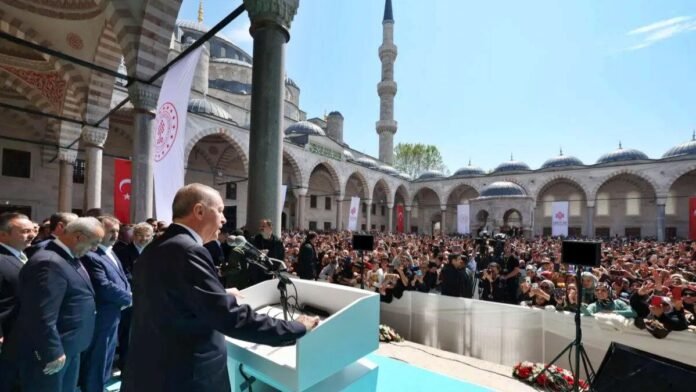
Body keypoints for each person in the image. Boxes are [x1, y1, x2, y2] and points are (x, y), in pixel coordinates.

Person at [121, 184, 317, 392]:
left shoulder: (156, 247)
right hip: (185, 377)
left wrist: (219, 294)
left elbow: (170, 298)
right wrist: (296, 328)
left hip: (152, 370)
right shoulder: (189, 251)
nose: (224, 219)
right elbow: (229, 317)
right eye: (220, 210)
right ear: (199, 211)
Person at [3, 217, 103, 392]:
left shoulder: (68, 257)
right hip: (53, 354)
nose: (95, 249)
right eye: (94, 243)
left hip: (69, 348)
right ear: (78, 237)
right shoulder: (49, 263)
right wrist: (52, 351)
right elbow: (41, 314)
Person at [79, 216, 131, 392]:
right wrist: (132, 298)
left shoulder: (111, 251)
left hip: (114, 313)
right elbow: (104, 287)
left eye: (117, 231)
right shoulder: (92, 256)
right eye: (111, 231)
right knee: (98, 360)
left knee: (107, 358)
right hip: (102, 316)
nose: (115, 235)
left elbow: (120, 280)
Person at [0, 212, 35, 391]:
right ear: (3, 234)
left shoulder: (23, 256)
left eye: (32, 230)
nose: (31, 234)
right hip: (6, 335)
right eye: (24, 231)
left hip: (22, 334)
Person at [113, 221, 153, 371]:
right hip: (132, 301)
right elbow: (125, 275)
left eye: (147, 236)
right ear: (133, 236)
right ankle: (126, 367)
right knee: (128, 335)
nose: (143, 239)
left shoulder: (152, 251)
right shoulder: (123, 252)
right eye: (140, 235)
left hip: (149, 301)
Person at [250, 219, 285, 285]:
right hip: (257, 274)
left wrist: (275, 271)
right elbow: (249, 255)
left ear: (270, 228)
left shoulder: (277, 242)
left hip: (270, 274)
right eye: (260, 226)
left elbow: (280, 258)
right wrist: (258, 253)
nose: (261, 228)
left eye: (263, 226)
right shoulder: (255, 239)